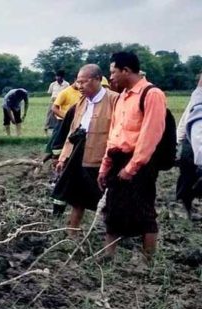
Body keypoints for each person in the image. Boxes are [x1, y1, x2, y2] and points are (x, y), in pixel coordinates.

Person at [97, 52, 167, 259]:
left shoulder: (152, 94)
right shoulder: (121, 97)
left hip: (140, 163)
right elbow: (114, 134)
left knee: (143, 209)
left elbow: (150, 135)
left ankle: (149, 260)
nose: (111, 78)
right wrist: (105, 166)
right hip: (118, 158)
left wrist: (132, 167)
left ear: (126, 70)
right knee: (113, 207)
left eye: (113, 72)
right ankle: (108, 255)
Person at [52, 64, 119, 232]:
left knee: (108, 200)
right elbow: (72, 131)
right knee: (77, 197)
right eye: (78, 82)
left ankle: (112, 236)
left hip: (103, 159)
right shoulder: (81, 102)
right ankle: (71, 233)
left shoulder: (115, 100)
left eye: (84, 82)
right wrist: (63, 157)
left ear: (97, 80)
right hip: (80, 155)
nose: (79, 86)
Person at [175, 74, 202, 217]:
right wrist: (178, 142)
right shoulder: (197, 99)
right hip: (191, 144)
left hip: (194, 144)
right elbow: (186, 120)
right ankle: (185, 206)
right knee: (188, 177)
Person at [45, 70, 69, 135]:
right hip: (53, 102)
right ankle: (46, 130)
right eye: (57, 76)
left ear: (62, 77)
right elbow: (50, 93)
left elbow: (67, 94)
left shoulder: (66, 84)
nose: (58, 78)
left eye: (59, 77)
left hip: (61, 104)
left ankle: (59, 131)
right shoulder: (52, 84)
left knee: (59, 117)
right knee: (49, 117)